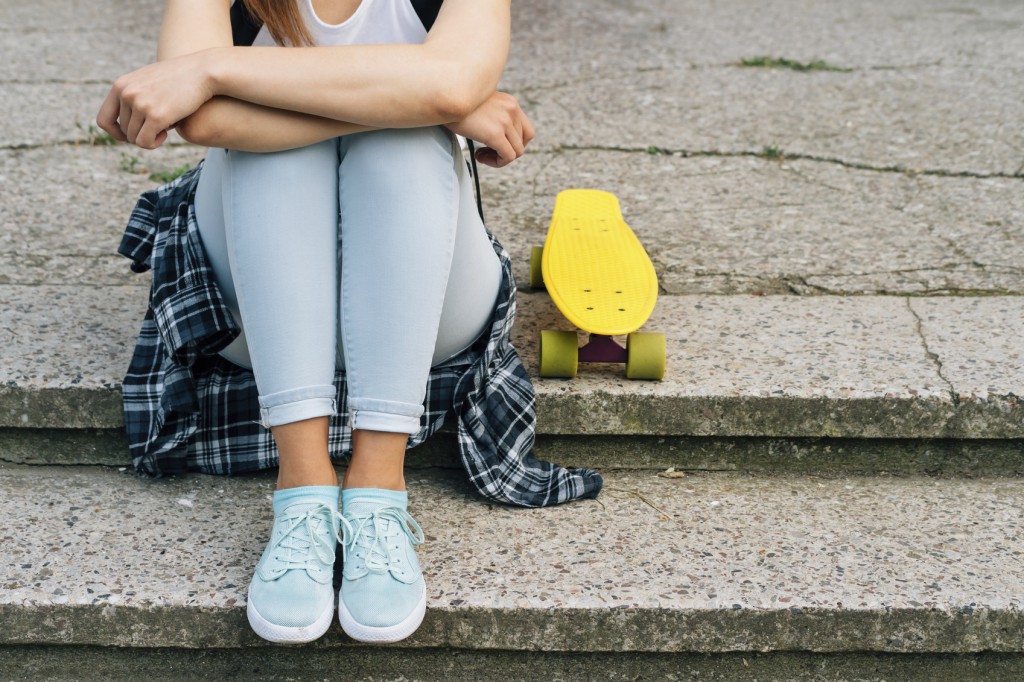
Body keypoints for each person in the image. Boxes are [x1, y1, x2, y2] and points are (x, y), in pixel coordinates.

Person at [97, 0, 598, 646]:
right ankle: (303, 491)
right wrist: (414, 100)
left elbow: (450, 84)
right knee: (278, 153)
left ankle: (377, 495)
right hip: (254, 316)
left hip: (428, 311)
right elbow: (200, 119)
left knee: (403, 145)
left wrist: (216, 69)